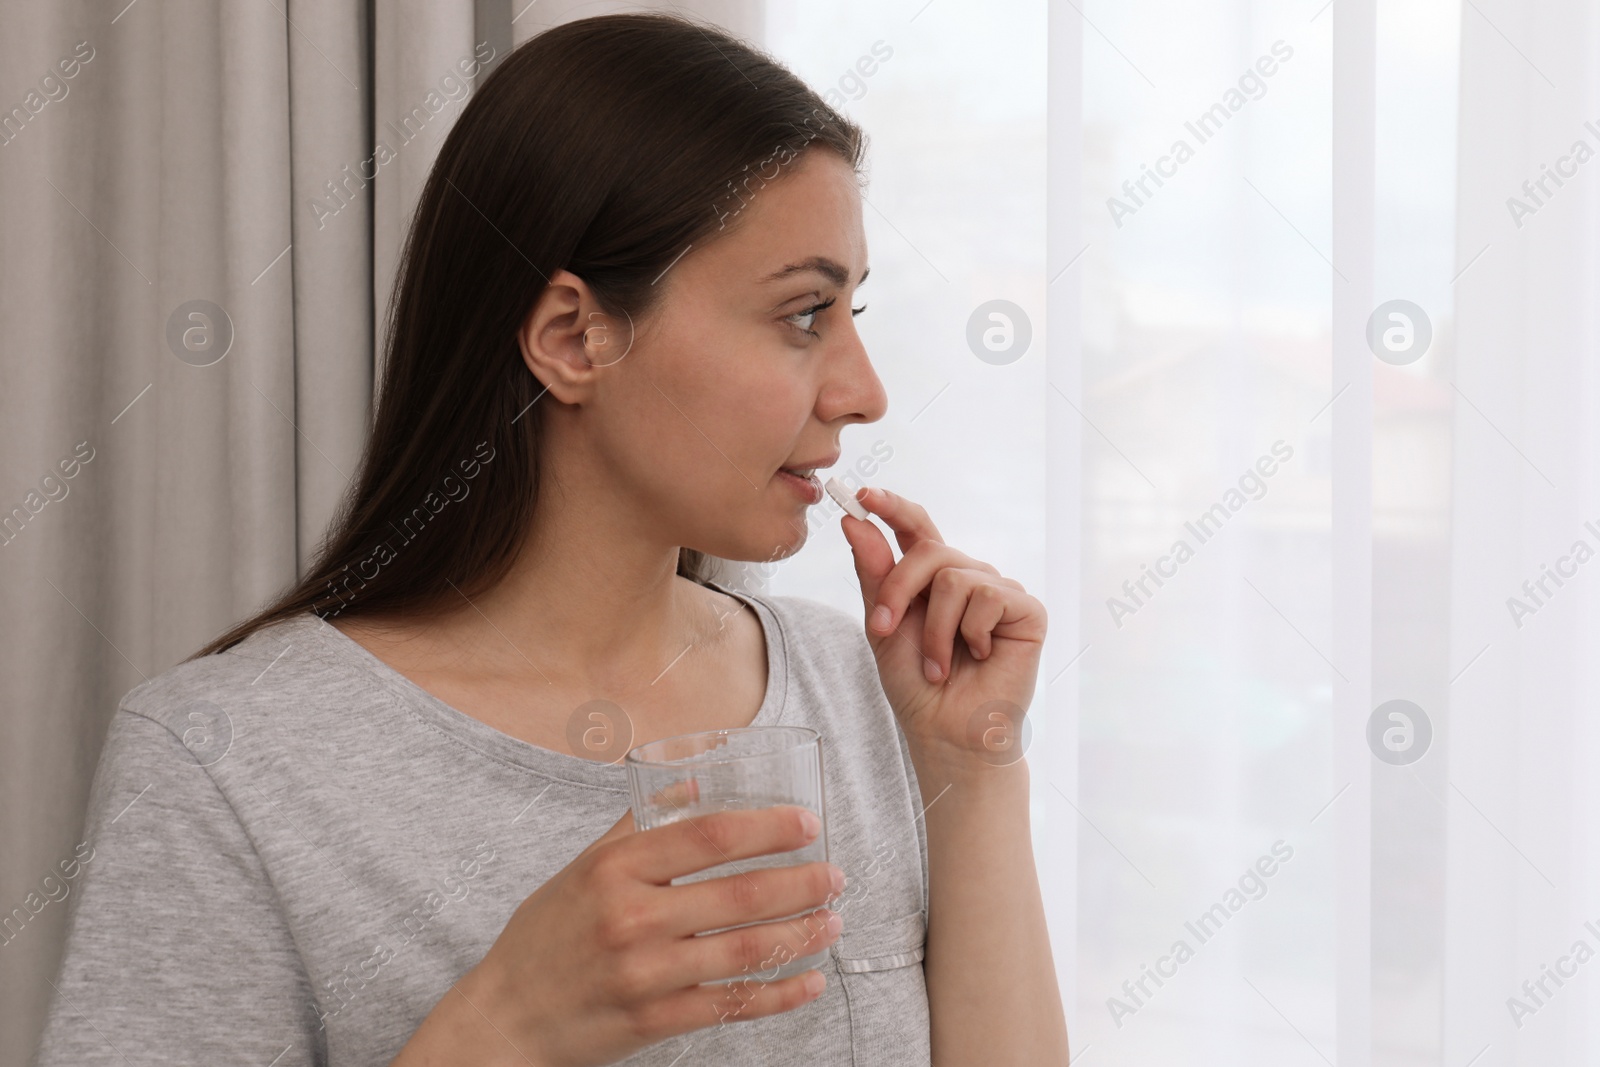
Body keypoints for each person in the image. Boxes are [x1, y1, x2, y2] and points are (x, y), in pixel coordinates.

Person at [32, 13, 1067, 1066]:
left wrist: (970, 772)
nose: (863, 389)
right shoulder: (225, 759)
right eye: (803, 313)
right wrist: (509, 1022)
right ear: (576, 338)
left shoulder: (858, 690)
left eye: (852, 312)